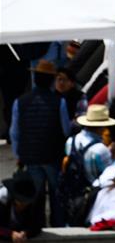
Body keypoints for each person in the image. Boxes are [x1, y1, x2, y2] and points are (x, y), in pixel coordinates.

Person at [9, 60, 70, 226]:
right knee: (57, 195)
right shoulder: (59, 102)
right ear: (51, 80)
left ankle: (38, 227)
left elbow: (15, 132)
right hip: (53, 156)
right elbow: (65, 130)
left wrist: (18, 154)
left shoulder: (20, 102)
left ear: (35, 78)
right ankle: (58, 227)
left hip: (31, 157)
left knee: (36, 196)